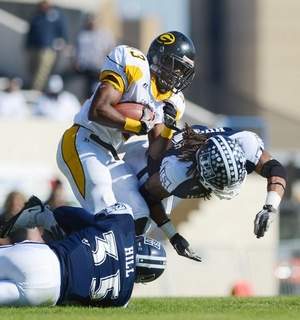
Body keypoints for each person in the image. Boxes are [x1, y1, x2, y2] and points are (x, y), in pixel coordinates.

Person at [56, 31, 196, 224]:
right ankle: (48, 218)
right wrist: (136, 125)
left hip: (110, 154)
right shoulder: (134, 65)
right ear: (158, 57)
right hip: (82, 141)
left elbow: (155, 152)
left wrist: (172, 132)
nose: (176, 75)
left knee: (137, 215)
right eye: (175, 66)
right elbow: (97, 110)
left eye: (182, 71)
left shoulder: (173, 102)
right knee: (106, 211)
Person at [123, 124, 287, 261]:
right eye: (220, 183)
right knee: (138, 224)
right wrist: (173, 236)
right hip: (139, 165)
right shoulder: (178, 171)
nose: (225, 187)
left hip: (171, 159)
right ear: (201, 172)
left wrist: (270, 207)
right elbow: (148, 196)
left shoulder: (245, 144)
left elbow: (276, 169)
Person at [0, 197, 166, 307]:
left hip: (45, 258)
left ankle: (42, 215)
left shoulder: (124, 221)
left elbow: (86, 218)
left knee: (86, 223)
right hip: (48, 293)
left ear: (142, 242)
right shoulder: (123, 299)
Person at [25, 1, 68, 91]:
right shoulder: (36, 15)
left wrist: (62, 43)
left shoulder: (56, 15)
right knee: (32, 69)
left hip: (48, 49)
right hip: (34, 47)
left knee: (42, 71)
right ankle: (31, 86)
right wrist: (27, 45)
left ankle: (36, 90)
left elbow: (62, 32)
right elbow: (30, 31)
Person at [74, 14, 115, 98]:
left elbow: (111, 49)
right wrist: (76, 61)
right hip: (85, 68)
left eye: (93, 20)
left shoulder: (105, 34)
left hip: (99, 68)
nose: (91, 22)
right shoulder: (82, 34)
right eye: (89, 20)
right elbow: (77, 49)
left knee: (99, 91)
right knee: (87, 93)